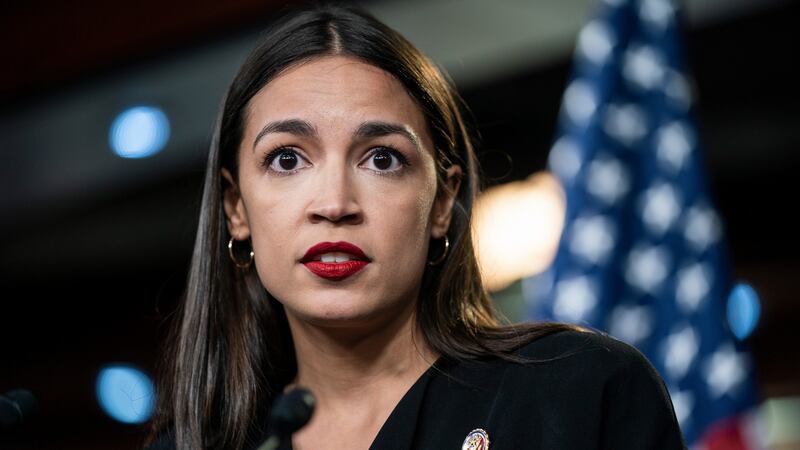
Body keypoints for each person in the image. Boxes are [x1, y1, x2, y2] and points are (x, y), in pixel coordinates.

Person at [146, 4, 686, 450]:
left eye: (381, 159)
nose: (334, 204)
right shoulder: (191, 445)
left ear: (443, 201)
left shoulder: (579, 390)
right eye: (288, 159)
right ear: (236, 209)